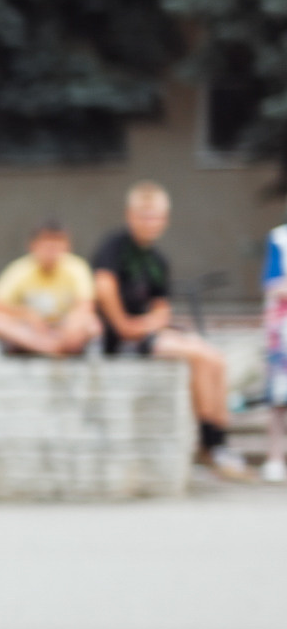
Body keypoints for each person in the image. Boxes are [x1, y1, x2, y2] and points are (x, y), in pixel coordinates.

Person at [93, 181, 247, 477]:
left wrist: (147, 324)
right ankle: (212, 444)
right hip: (121, 339)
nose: (150, 223)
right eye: (144, 215)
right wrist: (126, 326)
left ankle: (217, 439)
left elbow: (161, 308)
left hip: (146, 333)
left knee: (214, 357)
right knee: (199, 356)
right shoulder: (115, 247)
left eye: (156, 217)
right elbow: (104, 287)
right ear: (131, 215)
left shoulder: (157, 260)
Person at [0, 222, 96, 359]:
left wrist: (71, 327)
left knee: (91, 323)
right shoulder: (21, 269)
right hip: (32, 332)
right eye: (47, 245)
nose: (52, 250)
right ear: (33, 245)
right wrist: (26, 314)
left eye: (57, 244)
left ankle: (49, 349)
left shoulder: (76, 267)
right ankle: (52, 349)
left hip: (63, 330)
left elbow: (85, 305)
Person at [262, 218, 287, 482]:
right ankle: (275, 457)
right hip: (282, 332)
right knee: (278, 400)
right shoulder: (279, 238)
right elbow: (273, 283)